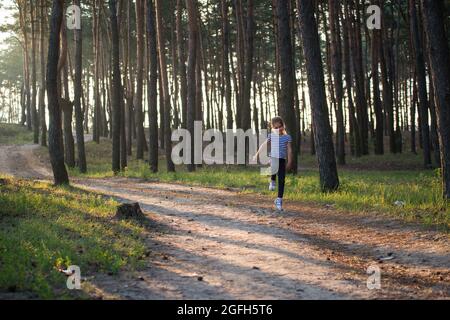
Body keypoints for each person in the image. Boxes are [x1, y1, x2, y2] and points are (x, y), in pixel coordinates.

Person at [254, 117, 293, 211]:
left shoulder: (287, 137)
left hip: (282, 159)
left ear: (283, 126)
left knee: (282, 179)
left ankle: (279, 199)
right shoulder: (272, 136)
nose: (278, 129)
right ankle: (272, 180)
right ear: (272, 128)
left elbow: (289, 150)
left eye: (280, 126)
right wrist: (257, 154)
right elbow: (264, 145)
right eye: (276, 128)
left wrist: (290, 161)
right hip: (274, 158)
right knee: (274, 164)